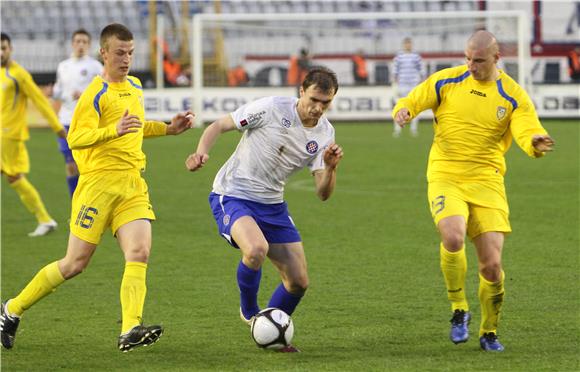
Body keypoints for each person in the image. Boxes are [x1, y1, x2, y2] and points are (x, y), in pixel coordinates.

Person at [0, 23, 195, 352]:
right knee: (74, 264)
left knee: (139, 251)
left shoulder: (133, 86)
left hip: (132, 185)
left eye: (131, 53)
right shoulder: (95, 93)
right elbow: (76, 138)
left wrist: (168, 129)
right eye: (120, 53)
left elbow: (134, 128)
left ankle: (130, 328)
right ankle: (11, 309)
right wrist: (112, 130)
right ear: (103, 53)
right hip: (97, 186)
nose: (126, 59)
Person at [392, 30, 554, 352]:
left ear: (496, 59)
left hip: (487, 181)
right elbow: (414, 97)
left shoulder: (512, 95)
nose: (470, 66)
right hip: (446, 174)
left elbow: (526, 127)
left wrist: (535, 141)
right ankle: (458, 309)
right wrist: (404, 109)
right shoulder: (447, 81)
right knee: (452, 236)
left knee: (491, 265)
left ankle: (489, 331)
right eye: (467, 58)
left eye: (478, 61)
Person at [185, 67, 343, 353]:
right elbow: (218, 125)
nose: (318, 108)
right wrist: (201, 152)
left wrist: (330, 169)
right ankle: (250, 312)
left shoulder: (325, 134)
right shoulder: (270, 108)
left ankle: (269, 331)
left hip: (273, 204)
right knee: (255, 249)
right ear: (301, 91)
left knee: (298, 282)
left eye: (326, 103)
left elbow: (323, 193)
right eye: (314, 99)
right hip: (233, 194)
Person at [0, 32, 67, 237]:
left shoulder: (19, 74)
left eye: (4, 48)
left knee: (14, 176)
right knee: (14, 177)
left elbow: (39, 101)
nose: (1, 52)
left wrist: (57, 127)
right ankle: (45, 219)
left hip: (9, 134)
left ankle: (45, 219)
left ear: (11, 49)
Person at [53, 29, 103, 197]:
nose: (80, 45)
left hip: (87, 122)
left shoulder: (96, 67)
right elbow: (58, 90)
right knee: (70, 165)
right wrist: (54, 92)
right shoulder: (63, 66)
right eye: (78, 41)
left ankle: (89, 200)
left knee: (87, 165)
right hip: (66, 120)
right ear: (72, 44)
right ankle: (75, 203)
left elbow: (104, 91)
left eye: (84, 42)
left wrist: (85, 95)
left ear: (89, 45)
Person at [392, 37, 424, 137]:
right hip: (402, 84)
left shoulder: (416, 56)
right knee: (399, 106)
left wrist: (421, 81)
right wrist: (395, 82)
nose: (408, 45)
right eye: (406, 44)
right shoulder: (399, 56)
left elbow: (421, 69)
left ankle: (413, 129)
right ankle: (397, 129)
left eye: (409, 44)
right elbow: (394, 70)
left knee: (415, 106)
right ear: (403, 45)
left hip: (413, 84)